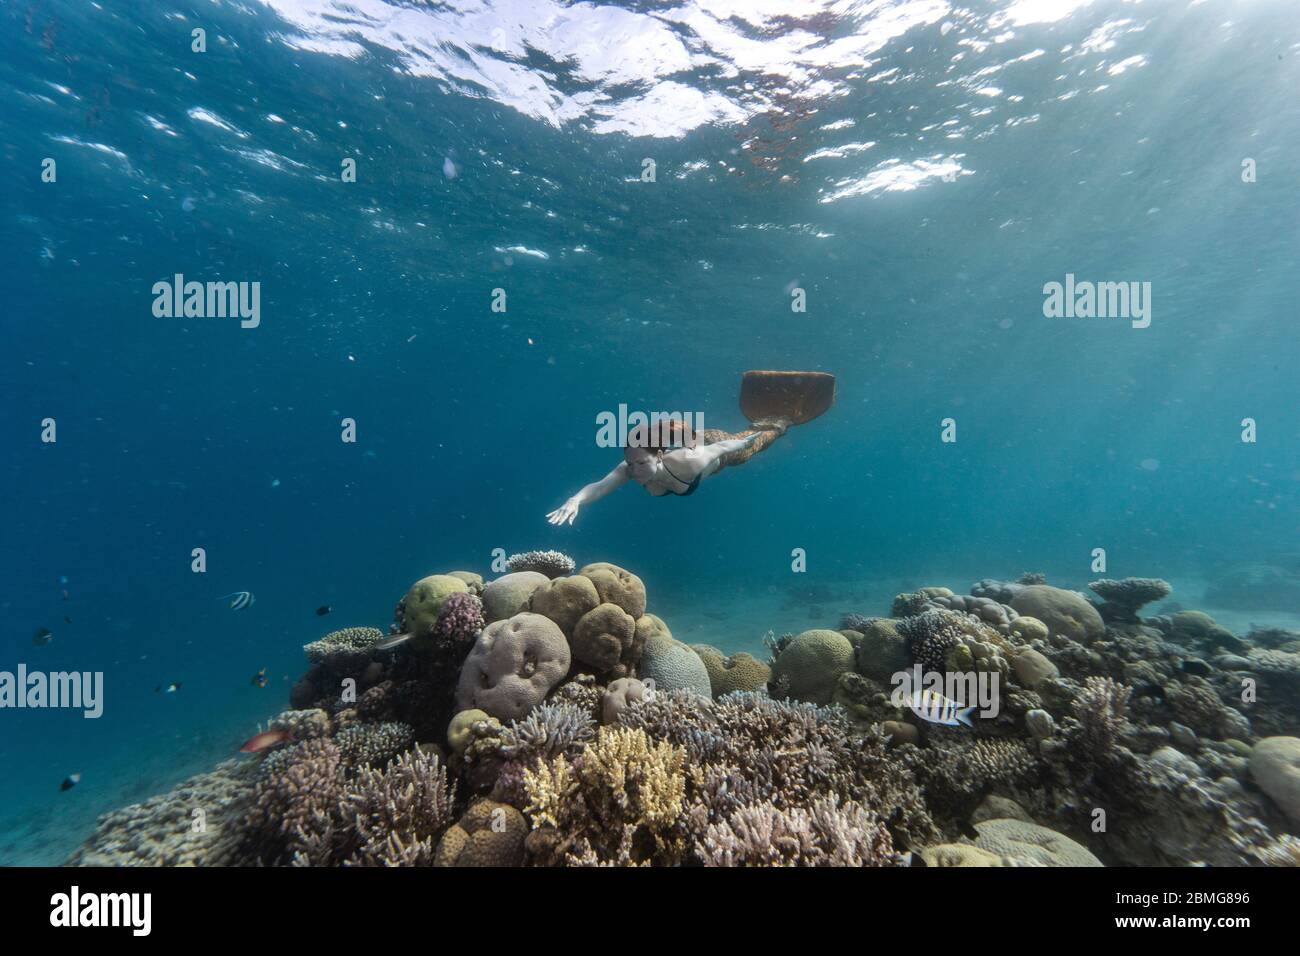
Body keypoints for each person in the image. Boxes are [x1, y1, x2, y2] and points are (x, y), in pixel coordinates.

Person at [546, 370, 834, 526]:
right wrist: (574, 500)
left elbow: (722, 447)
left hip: (714, 446)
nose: (633, 472)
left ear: (659, 456)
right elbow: (598, 486)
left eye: (640, 464)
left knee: (753, 447)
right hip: (687, 443)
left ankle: (776, 422)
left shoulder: (688, 461)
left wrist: (748, 438)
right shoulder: (630, 468)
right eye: (630, 464)